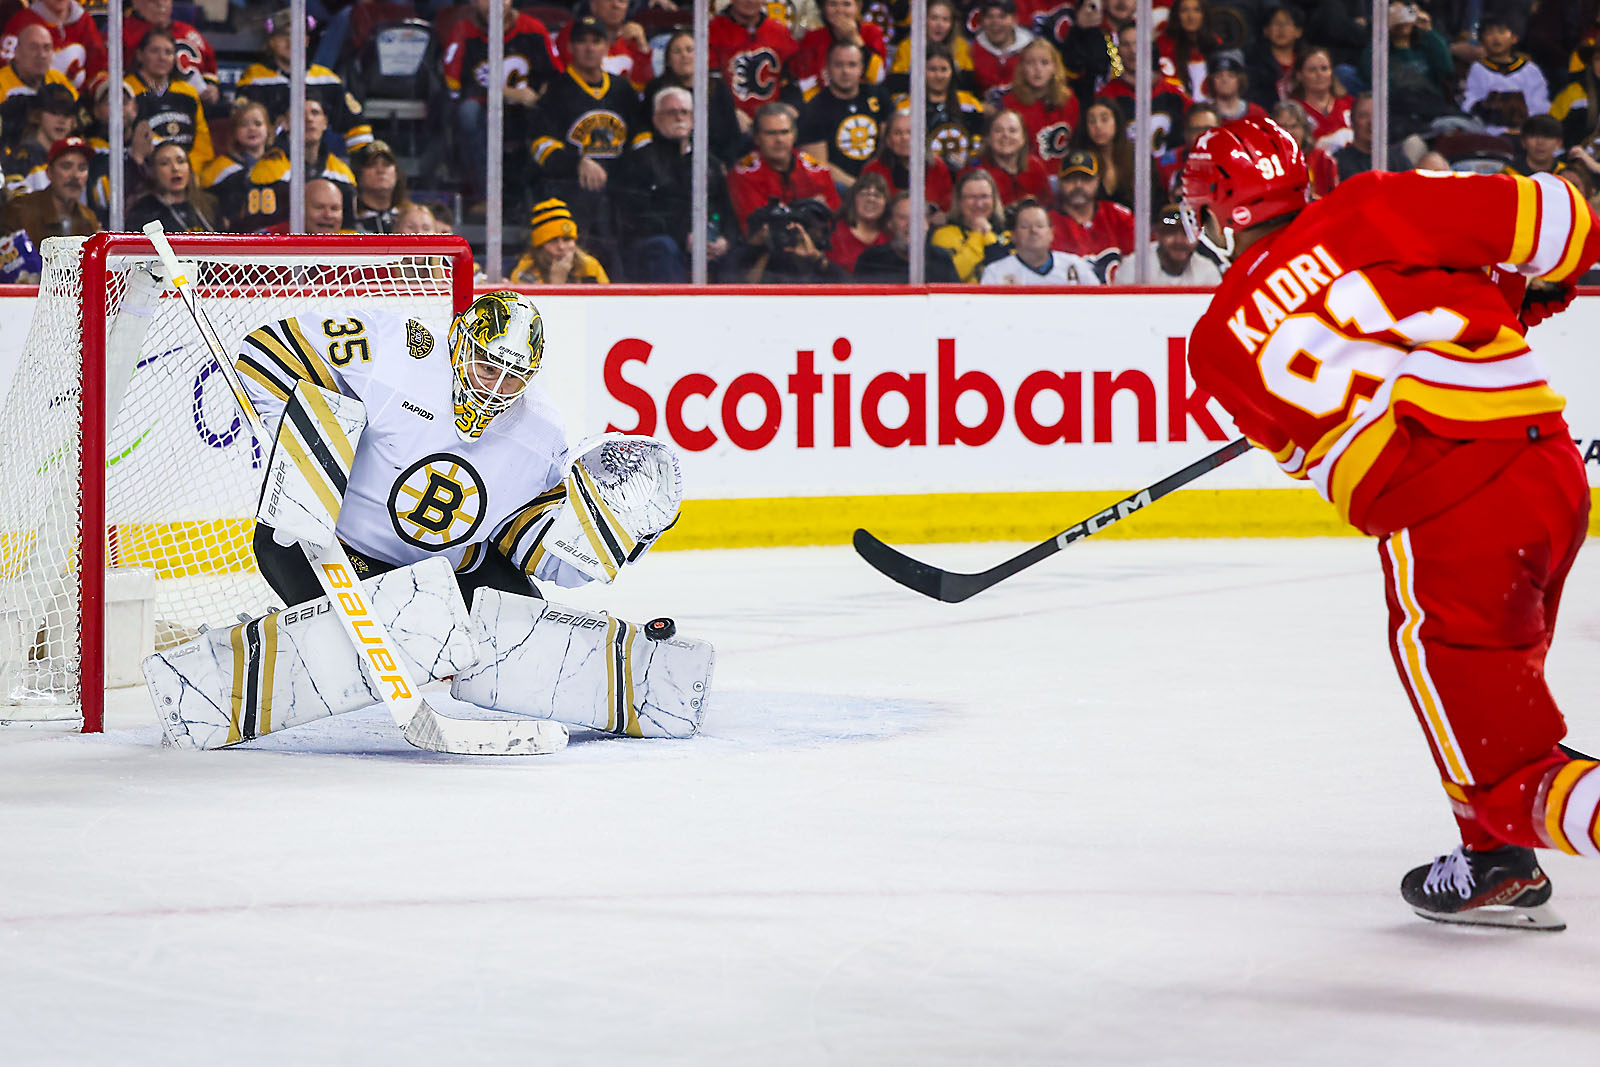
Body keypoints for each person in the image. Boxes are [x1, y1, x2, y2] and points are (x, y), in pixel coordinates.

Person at [1179, 114, 1600, 931]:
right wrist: (1518, 281)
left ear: (1218, 211)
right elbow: (1566, 225)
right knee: (1495, 692)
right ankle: (1491, 863)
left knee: (1512, 778)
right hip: (1547, 472)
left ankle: (1501, 835)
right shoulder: (1368, 204)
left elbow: (1336, 457)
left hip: (1453, 529)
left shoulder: (1215, 349)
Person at [527, 15, 638, 263]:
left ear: (606, 47)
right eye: (582, 41)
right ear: (570, 47)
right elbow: (540, 144)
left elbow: (640, 139)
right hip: (572, 192)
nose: (589, 48)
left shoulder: (622, 90)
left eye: (596, 41)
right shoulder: (557, 90)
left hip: (620, 190)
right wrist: (577, 163)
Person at [443, 0, 560, 205]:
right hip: (484, 115)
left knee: (551, 111)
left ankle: (540, 199)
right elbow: (454, 87)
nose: (493, 4)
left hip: (525, 114)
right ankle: (485, 197)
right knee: (467, 113)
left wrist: (540, 96)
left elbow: (555, 76)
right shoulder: (464, 31)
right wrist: (509, 93)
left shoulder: (532, 29)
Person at [615, 86, 731, 283]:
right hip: (659, 246)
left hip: (706, 244)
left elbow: (726, 210)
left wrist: (725, 240)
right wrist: (683, 237)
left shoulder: (708, 162)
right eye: (671, 112)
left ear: (694, 119)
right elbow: (634, 218)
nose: (679, 118)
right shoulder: (639, 161)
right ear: (656, 119)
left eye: (684, 112)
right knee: (663, 247)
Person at [236, 8, 372, 159]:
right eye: (284, 35)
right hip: (268, 161)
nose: (291, 41)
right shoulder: (255, 78)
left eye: (297, 34)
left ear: (306, 40)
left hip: (318, 162)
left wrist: (362, 163)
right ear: (271, 42)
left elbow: (357, 126)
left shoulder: (326, 79)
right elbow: (240, 125)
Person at [236, 98, 356, 233]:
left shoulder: (343, 175)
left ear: (325, 122)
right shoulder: (266, 172)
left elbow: (348, 231)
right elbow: (258, 233)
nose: (309, 119)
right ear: (285, 123)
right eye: (300, 113)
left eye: (315, 113)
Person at [727, 101, 841, 235]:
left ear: (794, 135)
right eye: (771, 133)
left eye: (784, 132)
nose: (779, 139)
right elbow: (757, 229)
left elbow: (835, 218)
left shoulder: (815, 170)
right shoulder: (743, 174)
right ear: (757, 138)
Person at [641, 31, 742, 165]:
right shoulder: (657, 89)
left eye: (690, 50)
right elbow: (647, 129)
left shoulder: (719, 88)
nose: (684, 55)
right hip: (667, 165)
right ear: (668, 61)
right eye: (677, 51)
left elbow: (732, 135)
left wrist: (723, 165)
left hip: (715, 163)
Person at [798, 40, 887, 189]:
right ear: (827, 69)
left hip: (878, 181)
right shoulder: (813, 109)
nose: (845, 71)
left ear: (861, 68)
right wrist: (860, 188)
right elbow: (819, 165)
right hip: (839, 187)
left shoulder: (879, 96)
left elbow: (889, 145)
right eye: (839, 65)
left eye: (852, 65)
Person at [125, 27, 211, 173]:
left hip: (186, 173)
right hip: (143, 175)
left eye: (168, 52)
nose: (162, 57)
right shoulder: (126, 90)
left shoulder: (188, 92)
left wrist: (189, 171)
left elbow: (202, 144)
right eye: (154, 51)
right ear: (140, 55)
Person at [1461, 11, 1550, 138]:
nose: (1496, 38)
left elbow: (1540, 104)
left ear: (1514, 38)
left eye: (1502, 32)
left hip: (1526, 133)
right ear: (1481, 40)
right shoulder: (1478, 69)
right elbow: (1471, 100)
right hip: (1489, 132)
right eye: (1490, 33)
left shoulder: (1530, 70)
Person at [0, 134, 96, 248]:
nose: (75, 175)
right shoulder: (19, 210)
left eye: (82, 168)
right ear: (49, 172)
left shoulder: (89, 218)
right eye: (66, 166)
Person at [709, 0, 798, 120]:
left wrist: (789, 107)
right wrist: (729, 113)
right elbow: (711, 83)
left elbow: (791, 81)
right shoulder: (712, 30)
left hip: (772, 118)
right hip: (728, 118)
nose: (750, 1)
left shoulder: (780, 32)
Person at [994, 39, 1079, 165]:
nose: (1038, 69)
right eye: (1030, 63)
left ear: (1055, 67)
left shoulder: (1069, 100)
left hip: (1066, 174)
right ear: (1022, 67)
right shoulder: (1010, 103)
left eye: (1044, 63)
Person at [120, 0, 216, 107]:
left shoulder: (189, 32)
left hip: (191, 105)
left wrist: (211, 86)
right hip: (140, 102)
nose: (160, 4)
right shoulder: (121, 32)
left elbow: (210, 68)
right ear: (136, 3)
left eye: (165, 0)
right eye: (153, 1)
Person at [860, 108, 954, 216]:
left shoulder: (937, 166)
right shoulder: (873, 170)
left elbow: (946, 208)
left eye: (911, 132)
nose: (904, 138)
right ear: (888, 140)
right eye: (897, 133)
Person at [980, 201, 1102, 284]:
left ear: (1051, 233)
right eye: (1025, 226)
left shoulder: (1075, 266)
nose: (1034, 231)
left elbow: (1099, 303)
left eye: (1040, 225)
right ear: (1013, 235)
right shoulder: (996, 272)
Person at [853, 190, 961, 282]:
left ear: (927, 223)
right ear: (890, 223)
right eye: (903, 217)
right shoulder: (871, 260)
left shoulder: (941, 259)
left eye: (918, 217)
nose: (911, 224)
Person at [1050, 148, 1135, 264]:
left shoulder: (1118, 215)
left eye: (1085, 179)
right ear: (1060, 183)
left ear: (1097, 181)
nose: (1078, 185)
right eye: (1070, 179)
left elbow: (1137, 260)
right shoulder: (1048, 223)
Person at [0, 0, 106, 93]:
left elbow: (98, 68)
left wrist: (102, 89)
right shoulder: (21, 21)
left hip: (74, 106)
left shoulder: (85, 22)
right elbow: (5, 68)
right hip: (27, 104)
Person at [201, 98, 273, 231]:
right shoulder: (220, 168)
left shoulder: (281, 164)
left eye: (257, 124)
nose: (251, 129)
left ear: (268, 129)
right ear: (234, 132)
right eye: (244, 125)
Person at [788, 0, 887, 96]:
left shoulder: (871, 32)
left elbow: (878, 78)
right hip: (823, 103)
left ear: (858, 6)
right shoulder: (812, 38)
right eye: (833, 4)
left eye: (846, 4)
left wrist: (855, 38)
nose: (839, 10)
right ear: (824, 7)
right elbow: (804, 85)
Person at [0, 22, 73, 149]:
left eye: (47, 48)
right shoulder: (1, 82)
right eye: (34, 47)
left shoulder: (59, 80)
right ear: (16, 52)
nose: (41, 55)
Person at [913, 42, 984, 171]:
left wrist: (968, 160)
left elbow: (979, 144)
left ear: (952, 71)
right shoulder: (909, 105)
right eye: (932, 69)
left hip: (963, 173)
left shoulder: (969, 103)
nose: (938, 76)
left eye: (944, 69)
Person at [554, 0, 651, 92]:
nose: (615, 5)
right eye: (608, 0)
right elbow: (573, 79)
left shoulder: (633, 37)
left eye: (621, 1)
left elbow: (643, 86)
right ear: (593, 4)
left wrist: (642, 46)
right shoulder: (575, 33)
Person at [124, 137, 218, 232]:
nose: (175, 168)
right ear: (153, 171)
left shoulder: (210, 204)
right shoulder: (143, 212)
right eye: (165, 163)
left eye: (180, 161)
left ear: (189, 168)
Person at [931, 167, 1008, 282]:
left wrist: (988, 235)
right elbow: (951, 275)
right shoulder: (944, 235)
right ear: (959, 201)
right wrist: (977, 234)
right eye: (972, 197)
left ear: (994, 199)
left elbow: (1007, 275)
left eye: (984, 196)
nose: (979, 204)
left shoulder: (1008, 233)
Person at [509, 198, 611, 284]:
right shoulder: (526, 272)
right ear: (539, 246)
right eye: (552, 241)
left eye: (567, 239)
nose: (561, 247)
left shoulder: (589, 267)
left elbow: (606, 304)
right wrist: (557, 281)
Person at [966, 107, 1050, 209]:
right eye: (998, 130)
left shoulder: (1035, 166)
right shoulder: (974, 172)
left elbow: (1049, 205)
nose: (1005, 135)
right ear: (988, 138)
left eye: (1012, 130)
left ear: (1023, 138)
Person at [1, 81, 75, 195]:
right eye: (54, 112)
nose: (62, 120)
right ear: (36, 115)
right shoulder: (23, 159)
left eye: (67, 114)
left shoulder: (75, 159)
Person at [888, 0, 972, 93]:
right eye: (934, 18)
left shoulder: (960, 46)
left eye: (945, 20)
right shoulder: (908, 46)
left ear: (952, 24)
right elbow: (895, 82)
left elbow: (967, 83)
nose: (939, 24)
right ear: (924, 21)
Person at [1270, 99, 1339, 197]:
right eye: (1282, 126)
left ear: (1305, 129)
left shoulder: (1323, 159)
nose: (1288, 132)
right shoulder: (1266, 163)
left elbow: (1334, 200)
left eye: (1294, 126)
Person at [1073, 97, 1135, 207]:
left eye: (1104, 119)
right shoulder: (1080, 162)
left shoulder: (1135, 156)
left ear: (1116, 122)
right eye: (1092, 121)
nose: (1098, 126)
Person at [827, 169, 889, 272]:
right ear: (853, 199)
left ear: (886, 204)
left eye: (877, 195)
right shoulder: (833, 230)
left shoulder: (890, 236)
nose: (871, 199)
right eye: (864, 194)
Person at [1159, 0, 1221, 101]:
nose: (1191, 16)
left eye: (1197, 10)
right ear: (1176, 14)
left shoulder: (1215, 43)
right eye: (1184, 10)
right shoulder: (1163, 45)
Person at [1243, 3, 1302, 109]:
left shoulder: (1306, 61)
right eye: (1276, 23)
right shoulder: (1254, 62)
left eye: (1287, 23)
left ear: (1298, 31)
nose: (1281, 29)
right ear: (1266, 31)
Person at [1290, 47, 1353, 146]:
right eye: (1312, 70)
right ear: (1299, 75)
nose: (1319, 74)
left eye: (1324, 68)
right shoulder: (1292, 110)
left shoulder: (1350, 103)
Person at [1147, 201, 1220, 284]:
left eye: (1187, 233)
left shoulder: (1207, 270)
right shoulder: (1137, 265)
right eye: (1171, 232)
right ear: (1158, 234)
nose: (1179, 240)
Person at [971, 0, 1033, 94]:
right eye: (989, 16)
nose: (995, 22)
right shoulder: (971, 51)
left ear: (1014, 20)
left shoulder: (1032, 50)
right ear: (982, 22)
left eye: (1002, 16)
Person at [350, 140, 408, 234]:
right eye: (372, 165)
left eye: (386, 164)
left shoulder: (409, 216)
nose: (380, 170)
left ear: (396, 174)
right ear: (358, 173)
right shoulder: (348, 219)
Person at [1204, 49, 1267, 125]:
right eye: (1218, 76)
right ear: (1212, 81)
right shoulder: (1204, 116)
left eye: (1231, 76)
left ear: (1240, 80)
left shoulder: (1257, 114)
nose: (1224, 80)